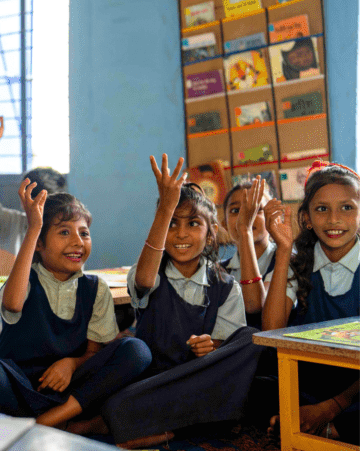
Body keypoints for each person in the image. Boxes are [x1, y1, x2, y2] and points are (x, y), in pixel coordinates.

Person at [101, 155, 262, 448]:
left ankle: (157, 427)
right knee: (120, 403)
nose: (181, 233)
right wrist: (165, 208)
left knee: (250, 338)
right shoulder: (149, 272)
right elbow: (144, 281)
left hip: (198, 380)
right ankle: (182, 425)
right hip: (155, 382)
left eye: (193, 223)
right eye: (172, 224)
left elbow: (224, 352)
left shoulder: (226, 286)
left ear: (210, 234)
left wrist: (212, 345)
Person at [0, 182, 151, 433]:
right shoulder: (25, 280)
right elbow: (12, 303)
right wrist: (33, 229)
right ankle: (71, 426)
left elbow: (92, 353)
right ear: (39, 244)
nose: (77, 242)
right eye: (64, 232)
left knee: (136, 350)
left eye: (84, 233)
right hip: (21, 388)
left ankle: (44, 424)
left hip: (70, 391)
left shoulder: (95, 288)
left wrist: (72, 364)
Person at [261, 160, 359, 443]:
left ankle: (319, 424)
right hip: (311, 382)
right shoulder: (297, 261)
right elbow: (271, 331)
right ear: (306, 218)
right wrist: (283, 249)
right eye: (322, 209)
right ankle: (325, 426)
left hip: (354, 389)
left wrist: (331, 407)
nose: (334, 219)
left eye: (347, 207)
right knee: (253, 382)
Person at [0, 116, 67, 276]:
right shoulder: (11, 223)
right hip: (6, 293)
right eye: (28, 199)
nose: (35, 210)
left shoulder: (66, 234)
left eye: (42, 205)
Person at [221, 177, 278, 328]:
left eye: (257, 209)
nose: (245, 216)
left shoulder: (285, 257)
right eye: (236, 210)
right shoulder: (220, 271)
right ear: (224, 225)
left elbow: (254, 305)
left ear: (273, 218)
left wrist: (245, 230)